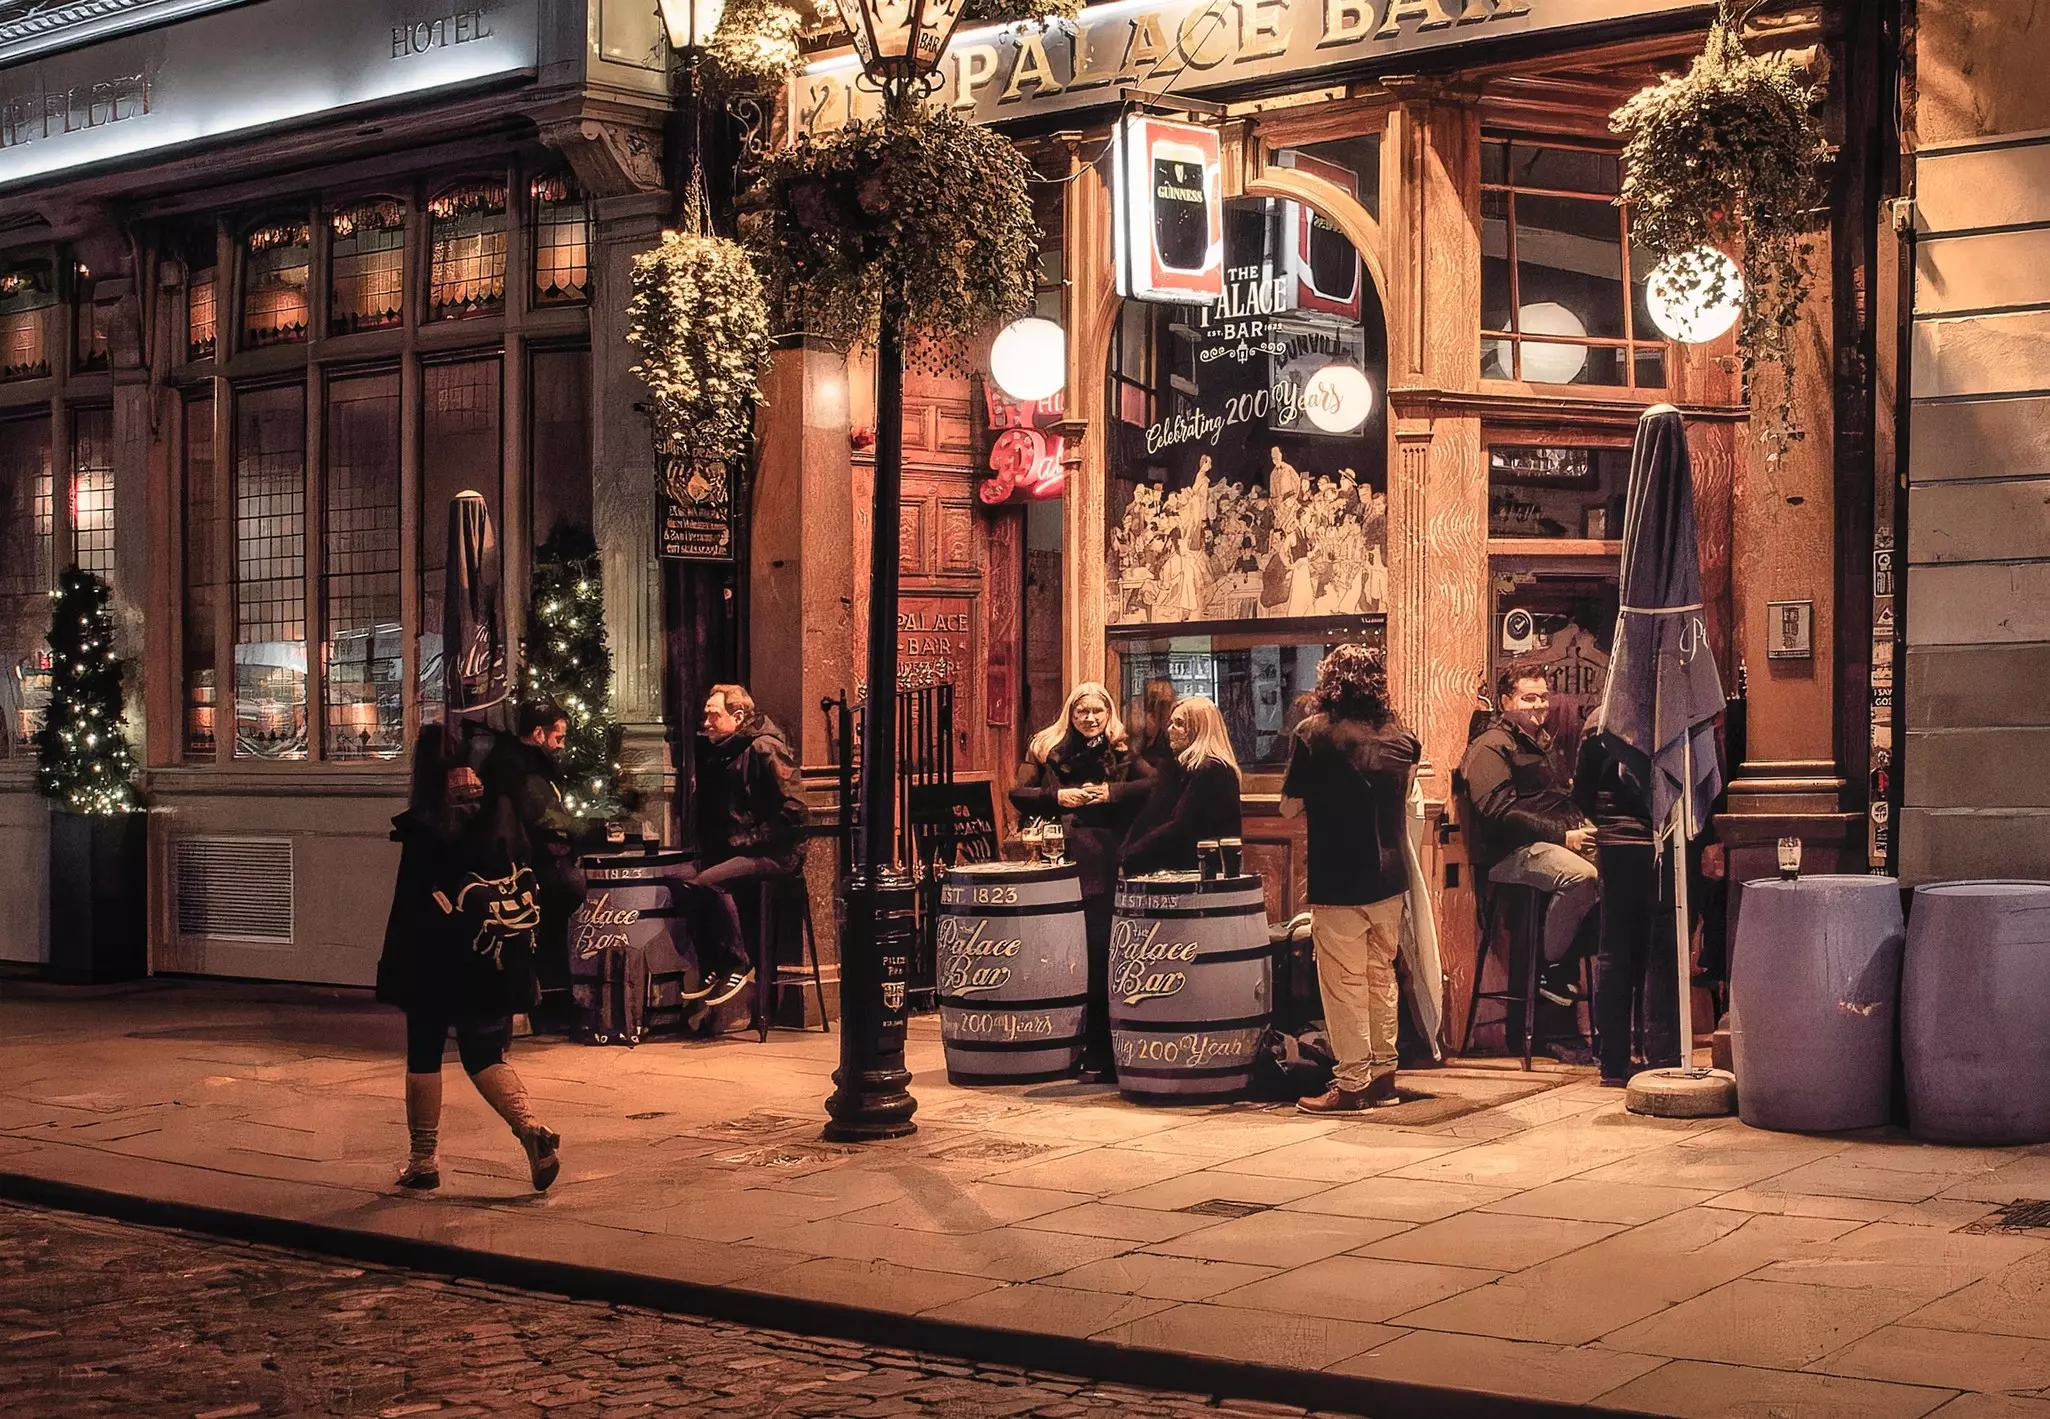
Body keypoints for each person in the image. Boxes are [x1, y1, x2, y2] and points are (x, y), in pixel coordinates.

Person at [378, 721, 562, 1194]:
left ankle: (424, 1159)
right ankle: (531, 1130)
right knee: (485, 1053)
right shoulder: (499, 810)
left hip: (432, 959)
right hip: (488, 955)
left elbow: (413, 902)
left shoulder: (426, 822)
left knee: (424, 1052)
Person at [1279, 645, 1421, 1112]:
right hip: (1390, 874)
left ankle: (1352, 1082)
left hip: (1338, 873)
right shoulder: (1403, 737)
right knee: (1382, 976)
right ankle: (1384, 1076)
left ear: (1329, 681)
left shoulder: (1313, 733)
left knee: (1342, 982)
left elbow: (1289, 805)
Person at [1010, 682, 1152, 1079]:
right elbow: (1016, 792)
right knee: (1059, 948)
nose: (1090, 719)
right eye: (1082, 712)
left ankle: (1100, 1050)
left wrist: (1110, 792)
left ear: (1108, 715)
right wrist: (1057, 799)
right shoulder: (1047, 746)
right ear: (1070, 714)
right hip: (1061, 852)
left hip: (1104, 858)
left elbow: (1153, 784)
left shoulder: (1120, 747)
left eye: (1098, 712)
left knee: (1098, 947)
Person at [1460, 664, 1600, 1009]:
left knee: (1620, 865)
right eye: (1529, 698)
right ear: (1507, 700)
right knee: (1582, 875)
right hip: (1508, 853)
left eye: (1543, 697)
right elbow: (1499, 812)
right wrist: (1563, 835)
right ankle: (1552, 968)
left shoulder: (1539, 742)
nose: (1539, 706)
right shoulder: (1490, 745)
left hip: (1543, 845)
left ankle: (1566, 966)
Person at [681, 683, 806, 1008]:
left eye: (713, 715)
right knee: (688, 884)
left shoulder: (764, 748)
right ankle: (716, 964)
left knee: (708, 883)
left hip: (776, 854)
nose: (705, 722)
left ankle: (738, 961)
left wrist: (750, 838)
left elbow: (794, 810)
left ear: (737, 716)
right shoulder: (725, 750)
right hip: (744, 850)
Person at [1574, 720, 1680, 1086]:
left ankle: (1613, 1063)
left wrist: (1609, 823)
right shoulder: (1670, 710)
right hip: (1664, 839)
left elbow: (1583, 792)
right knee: (1661, 950)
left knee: (1615, 950)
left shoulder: (1600, 723)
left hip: (1616, 842)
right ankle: (1661, 1052)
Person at [492, 702, 590, 1023]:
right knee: (547, 936)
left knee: (549, 935)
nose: (561, 745)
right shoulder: (527, 770)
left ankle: (551, 1003)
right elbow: (544, 816)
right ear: (538, 733)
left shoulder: (521, 764)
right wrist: (582, 829)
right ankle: (550, 1005)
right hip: (535, 867)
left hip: (533, 865)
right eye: (558, 737)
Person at [1121, 695, 1242, 875]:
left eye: (1179, 723)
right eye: (1170, 723)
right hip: (1176, 866)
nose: (1170, 729)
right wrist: (1127, 850)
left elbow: (1183, 825)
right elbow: (1155, 813)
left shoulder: (1212, 769)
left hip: (1198, 870)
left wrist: (1135, 853)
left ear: (1199, 728)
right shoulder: (1178, 767)